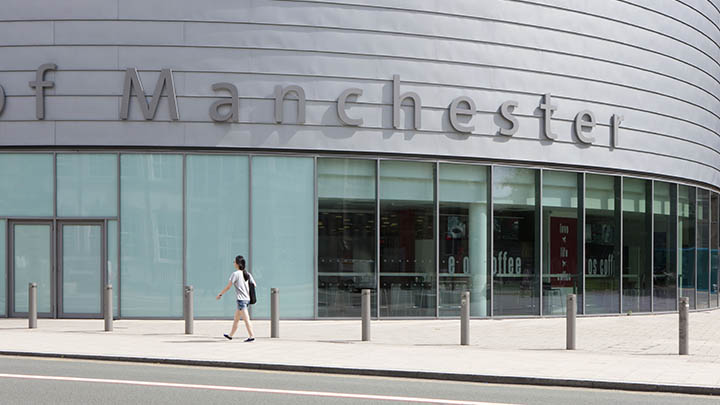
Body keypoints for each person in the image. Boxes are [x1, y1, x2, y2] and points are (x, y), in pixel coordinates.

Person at [216, 255, 256, 342]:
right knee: (236, 319)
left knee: (246, 319)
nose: (233, 263)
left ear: (237, 264)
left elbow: (228, 287)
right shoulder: (247, 274)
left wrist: (220, 294)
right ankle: (230, 335)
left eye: (234, 262)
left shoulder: (235, 274)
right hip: (246, 299)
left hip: (241, 300)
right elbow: (254, 285)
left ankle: (251, 336)